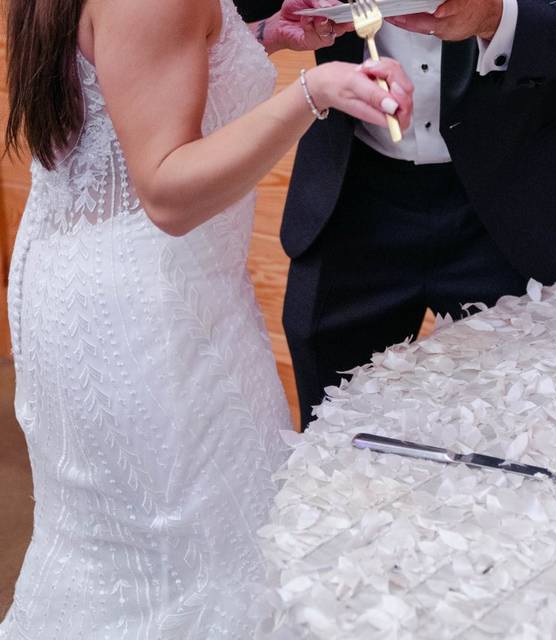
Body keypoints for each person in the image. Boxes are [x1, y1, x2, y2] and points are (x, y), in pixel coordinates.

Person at [0, 0, 412, 637]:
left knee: (117, 550)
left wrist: (252, 41)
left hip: (85, 286)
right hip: (154, 312)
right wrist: (314, 91)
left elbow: (131, 69)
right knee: (210, 555)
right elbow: (167, 191)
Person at [236, 0, 556, 429]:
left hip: (523, 192)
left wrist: (496, 17)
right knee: (335, 432)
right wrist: (269, 30)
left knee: (526, 428)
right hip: (351, 195)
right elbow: (231, 19)